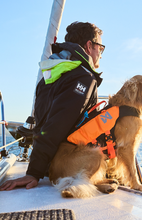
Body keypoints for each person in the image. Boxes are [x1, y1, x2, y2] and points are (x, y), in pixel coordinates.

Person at [0, 21, 105, 190]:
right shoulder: (83, 78)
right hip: (67, 165)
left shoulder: (51, 75)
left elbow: (47, 121)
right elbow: (57, 124)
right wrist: (33, 172)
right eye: (100, 47)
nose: (100, 53)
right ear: (89, 45)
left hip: (51, 164)